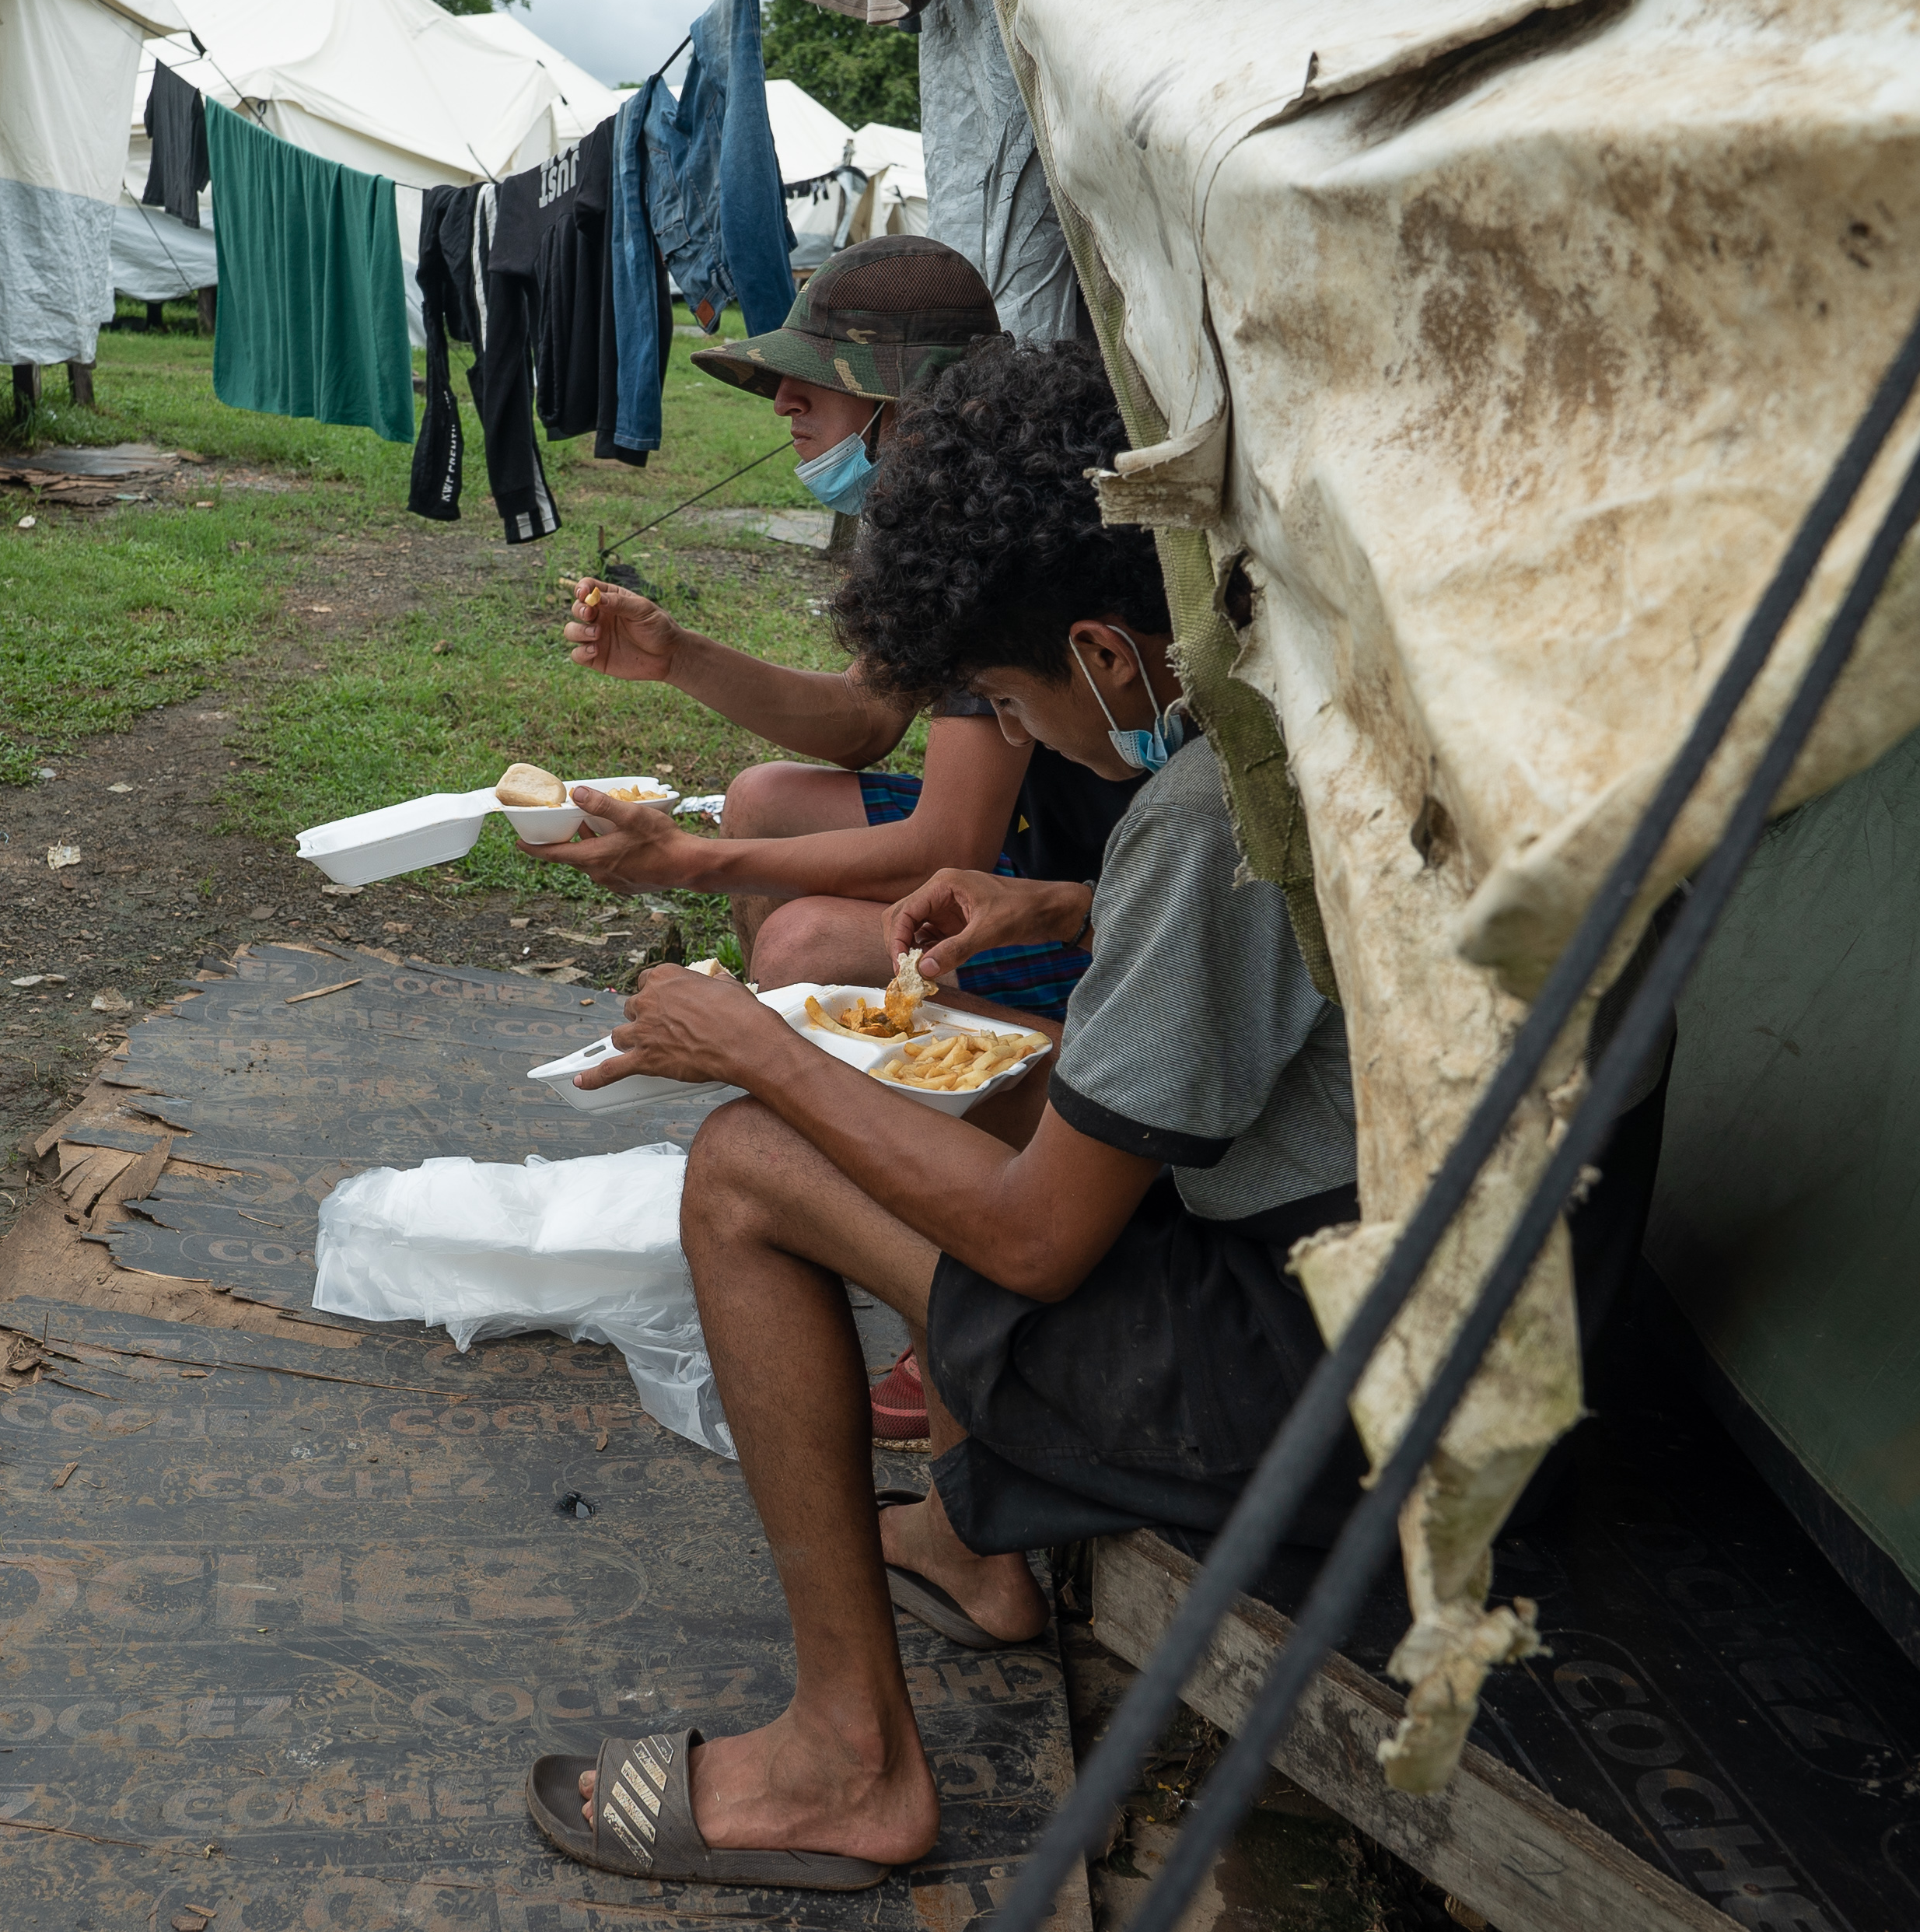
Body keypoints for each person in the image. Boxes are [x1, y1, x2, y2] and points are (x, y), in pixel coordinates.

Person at [516, 339, 1669, 1892]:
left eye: (1001, 698)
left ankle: (844, 1761)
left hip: (1343, 1390)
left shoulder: (1209, 811)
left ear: (1102, 652)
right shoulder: (1378, 683)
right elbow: (1332, 944)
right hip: (1523, 1313)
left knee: (744, 1167)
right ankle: (973, 1541)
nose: (1016, 728)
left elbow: (1039, 1243)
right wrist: (1055, 897)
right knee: (979, 1067)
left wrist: (743, 1044)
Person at [530, 253, 1138, 1019]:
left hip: (1104, 896)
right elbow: (867, 717)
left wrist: (690, 861)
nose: (783, 401)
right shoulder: (934, 504)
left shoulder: (996, 531)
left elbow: (950, 847)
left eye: (818, 377)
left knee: (804, 945)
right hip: (1044, 844)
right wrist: (677, 656)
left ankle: (847, 1092)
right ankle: (801, 1059)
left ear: (911, 398)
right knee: (761, 796)